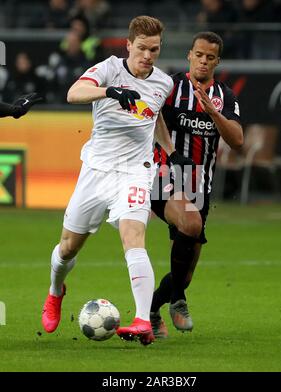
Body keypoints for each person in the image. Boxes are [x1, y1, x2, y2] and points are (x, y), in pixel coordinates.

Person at [41, 15, 192, 346]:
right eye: (142, 48)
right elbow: (73, 93)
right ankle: (55, 292)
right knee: (68, 248)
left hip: (136, 170)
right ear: (128, 45)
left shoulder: (163, 83)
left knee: (133, 237)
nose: (148, 56)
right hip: (96, 170)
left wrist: (169, 150)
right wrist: (109, 92)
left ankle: (141, 320)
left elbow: (153, 119)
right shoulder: (109, 68)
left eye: (154, 49)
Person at [150, 31, 244, 338]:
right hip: (165, 176)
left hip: (199, 185)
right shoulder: (170, 86)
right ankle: (177, 301)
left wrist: (214, 112)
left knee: (185, 275)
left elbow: (238, 141)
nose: (204, 61)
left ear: (218, 61)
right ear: (190, 55)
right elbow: (147, 118)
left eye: (210, 57)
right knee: (190, 224)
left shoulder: (225, 96)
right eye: (199, 55)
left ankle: (153, 308)